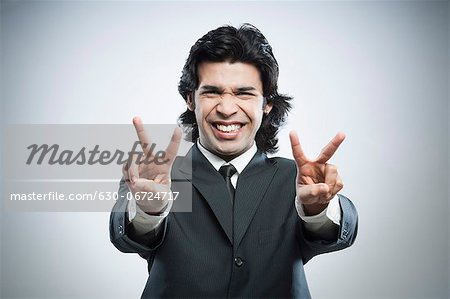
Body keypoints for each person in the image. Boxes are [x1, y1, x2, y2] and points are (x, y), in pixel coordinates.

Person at [110, 23, 358, 298]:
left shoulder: (296, 180)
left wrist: (317, 210)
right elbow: (127, 236)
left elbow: (337, 233)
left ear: (267, 104)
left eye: (244, 93)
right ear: (190, 99)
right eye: (212, 92)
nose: (227, 109)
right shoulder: (151, 178)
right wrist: (149, 211)